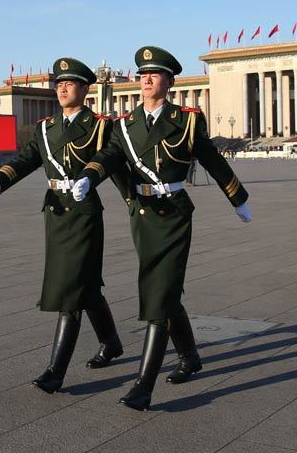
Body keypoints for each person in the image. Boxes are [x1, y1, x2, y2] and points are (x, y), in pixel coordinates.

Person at [72, 46, 252, 411]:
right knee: (165, 292)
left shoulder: (186, 120)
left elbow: (212, 160)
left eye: (154, 75)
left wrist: (238, 198)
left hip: (172, 213)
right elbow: (108, 157)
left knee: (157, 296)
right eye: (142, 75)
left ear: (169, 81)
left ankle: (143, 385)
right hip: (143, 216)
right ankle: (190, 356)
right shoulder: (124, 124)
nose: (146, 80)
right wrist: (90, 177)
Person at [0, 57, 132, 394]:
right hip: (57, 214)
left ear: (85, 89)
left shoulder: (101, 126)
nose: (61, 88)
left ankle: (55, 371)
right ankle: (112, 344)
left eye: (70, 83)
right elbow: (27, 159)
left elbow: (114, 161)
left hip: (84, 214)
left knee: (70, 292)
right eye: (58, 83)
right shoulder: (46, 128)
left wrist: (128, 199)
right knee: (86, 287)